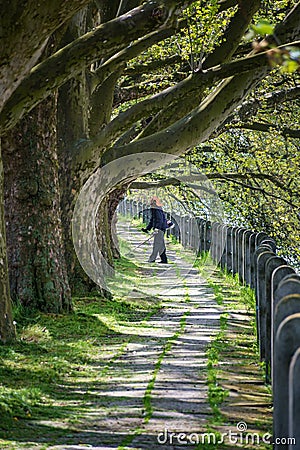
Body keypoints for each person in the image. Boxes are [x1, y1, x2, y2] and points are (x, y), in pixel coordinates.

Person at [142, 197, 168, 264]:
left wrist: (157, 228)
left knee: (157, 244)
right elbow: (152, 220)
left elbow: (159, 220)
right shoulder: (155, 209)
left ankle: (152, 259)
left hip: (160, 229)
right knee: (161, 244)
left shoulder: (156, 209)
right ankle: (164, 259)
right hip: (161, 228)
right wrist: (147, 229)